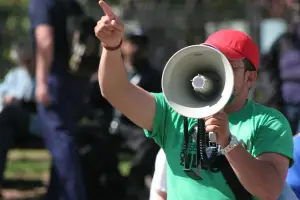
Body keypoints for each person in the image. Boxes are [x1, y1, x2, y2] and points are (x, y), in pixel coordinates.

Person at [95, 1, 293, 199]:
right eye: (212, 61)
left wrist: (228, 143)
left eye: (228, 65)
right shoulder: (173, 110)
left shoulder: (268, 123)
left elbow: (269, 190)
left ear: (249, 77)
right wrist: (111, 47)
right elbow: (116, 91)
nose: (217, 72)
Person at [29, 0, 89, 199]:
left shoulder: (42, 3)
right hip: (76, 80)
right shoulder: (70, 4)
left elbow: (44, 39)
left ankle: (74, 195)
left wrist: (41, 81)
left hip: (54, 80)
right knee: (64, 143)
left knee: (61, 144)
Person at [0, 40, 34, 198]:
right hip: (9, 124)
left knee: (8, 115)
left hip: (31, 122)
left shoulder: (42, 75)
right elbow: (2, 93)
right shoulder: (14, 75)